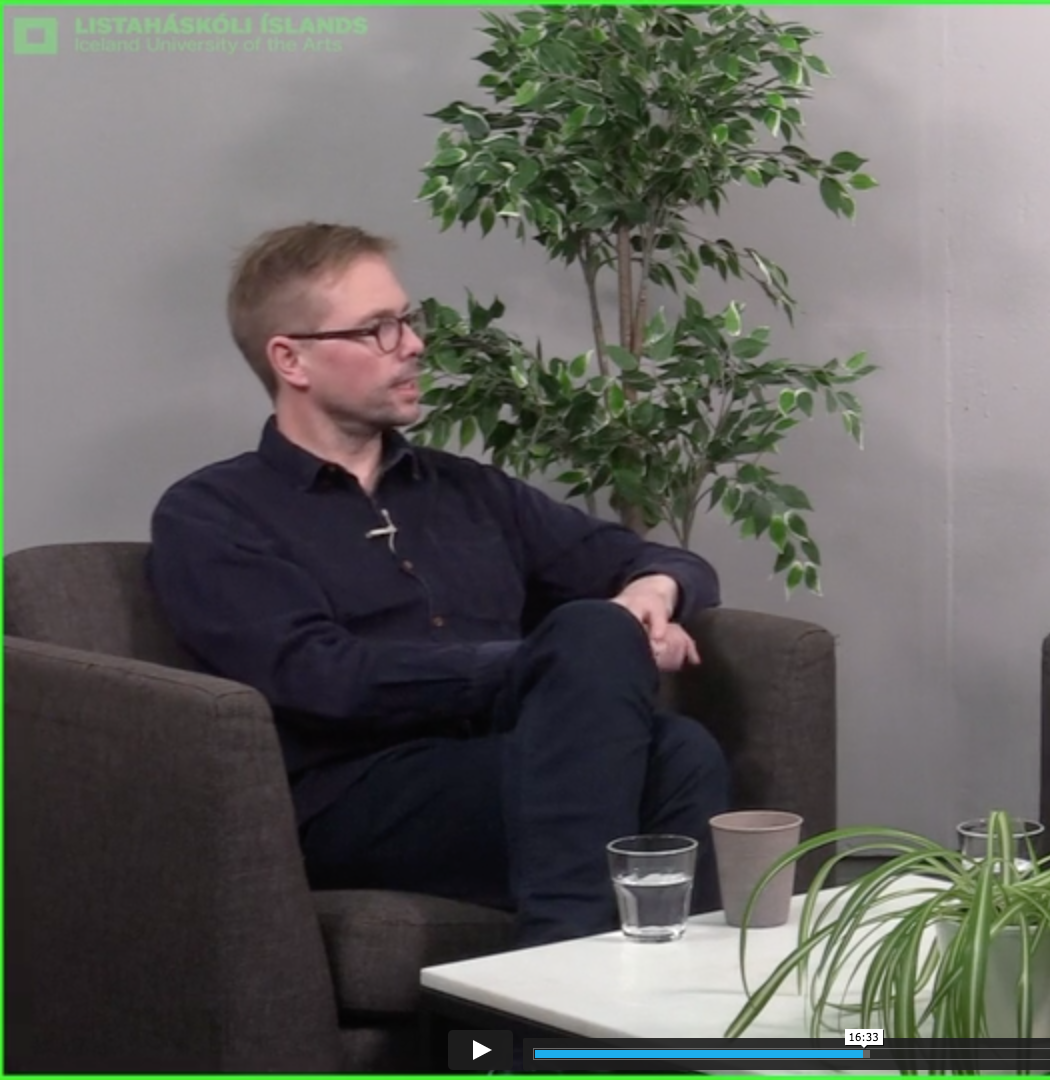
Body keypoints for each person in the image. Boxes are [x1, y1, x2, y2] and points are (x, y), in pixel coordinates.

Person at [148, 222, 730, 948]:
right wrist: (543, 661)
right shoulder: (214, 513)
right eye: (379, 329)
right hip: (356, 794)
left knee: (682, 750)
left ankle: (637, 1019)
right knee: (594, 645)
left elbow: (668, 562)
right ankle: (562, 978)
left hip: (517, 759)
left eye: (408, 320)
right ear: (291, 358)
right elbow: (323, 678)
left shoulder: (468, 491)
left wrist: (652, 594)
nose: (415, 345)